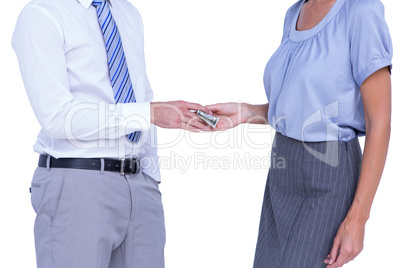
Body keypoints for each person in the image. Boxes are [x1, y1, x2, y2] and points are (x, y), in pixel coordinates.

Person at [12, 0, 210, 267]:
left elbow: (141, 94)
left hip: (140, 187)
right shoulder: (42, 14)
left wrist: (151, 176)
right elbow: (57, 118)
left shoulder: (127, 12)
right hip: (78, 183)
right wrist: (149, 113)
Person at [207, 0, 392, 267]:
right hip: (281, 172)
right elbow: (303, 104)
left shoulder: (360, 10)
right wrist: (246, 112)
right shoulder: (294, 13)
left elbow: (380, 121)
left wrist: (358, 217)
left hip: (326, 173)